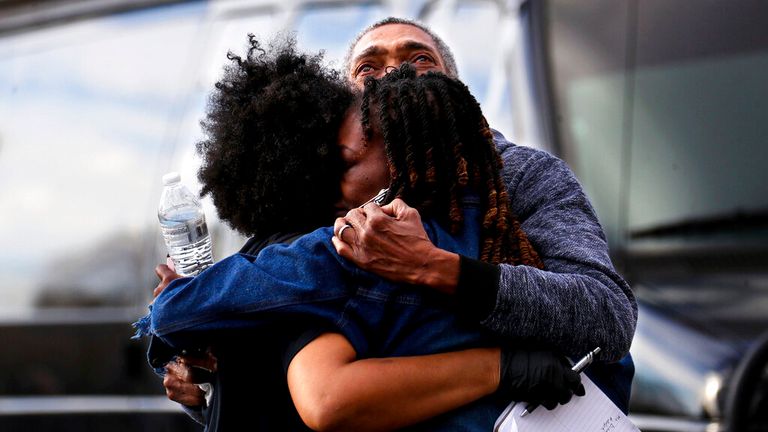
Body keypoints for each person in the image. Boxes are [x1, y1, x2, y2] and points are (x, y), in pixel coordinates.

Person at [142, 36, 588, 431]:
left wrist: (180, 308)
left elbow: (327, 400)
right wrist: (213, 381)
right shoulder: (343, 236)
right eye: (368, 70)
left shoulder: (357, 244)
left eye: (419, 59)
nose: (395, 74)